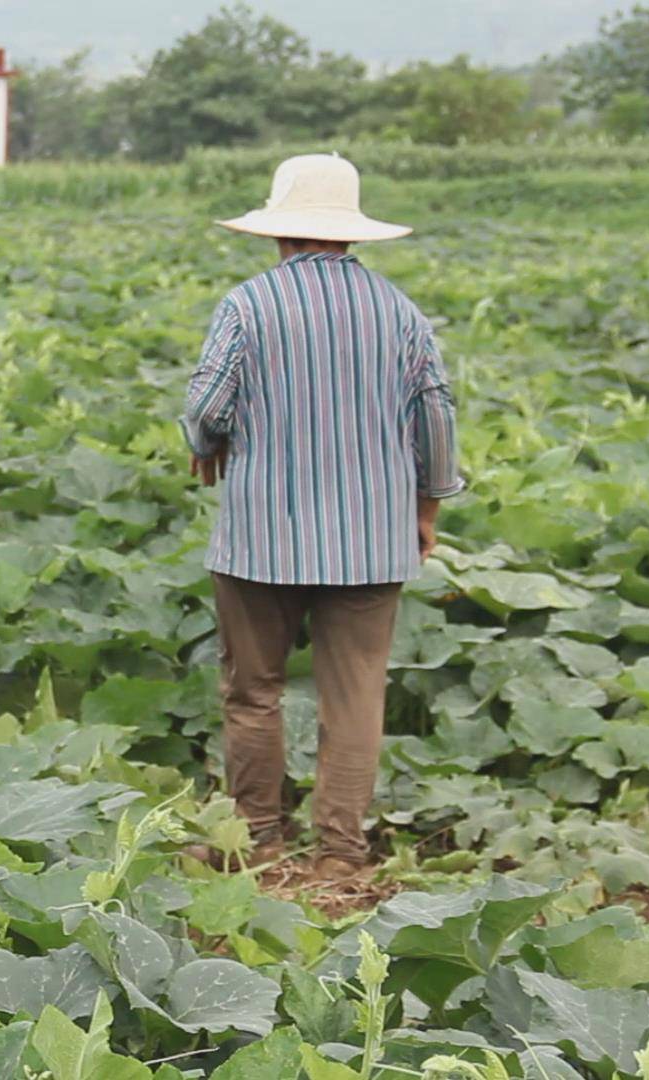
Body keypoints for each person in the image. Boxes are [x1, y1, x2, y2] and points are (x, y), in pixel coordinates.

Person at [180, 153, 464, 879]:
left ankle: (259, 837)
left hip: (260, 535)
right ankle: (340, 853)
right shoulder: (400, 311)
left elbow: (207, 407)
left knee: (253, 692)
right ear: (351, 235)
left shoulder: (247, 304)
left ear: (279, 231)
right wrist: (425, 507)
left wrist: (208, 445)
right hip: (373, 536)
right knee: (356, 697)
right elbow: (435, 417)